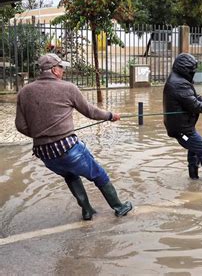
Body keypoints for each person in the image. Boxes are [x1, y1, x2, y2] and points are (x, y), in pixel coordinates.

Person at [15, 53, 132, 221]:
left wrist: (41, 135)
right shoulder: (68, 88)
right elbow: (91, 112)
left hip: (44, 153)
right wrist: (111, 115)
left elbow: (20, 126)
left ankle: (87, 211)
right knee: (98, 175)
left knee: (70, 175)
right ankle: (119, 207)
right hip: (67, 148)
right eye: (61, 67)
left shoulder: (24, 92)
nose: (63, 71)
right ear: (54, 70)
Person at [163, 53, 202, 181]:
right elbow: (194, 104)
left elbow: (196, 97)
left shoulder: (179, 80)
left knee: (194, 148)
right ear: (185, 69)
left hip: (183, 127)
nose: (193, 72)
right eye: (192, 70)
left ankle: (193, 178)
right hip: (182, 131)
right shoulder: (178, 83)